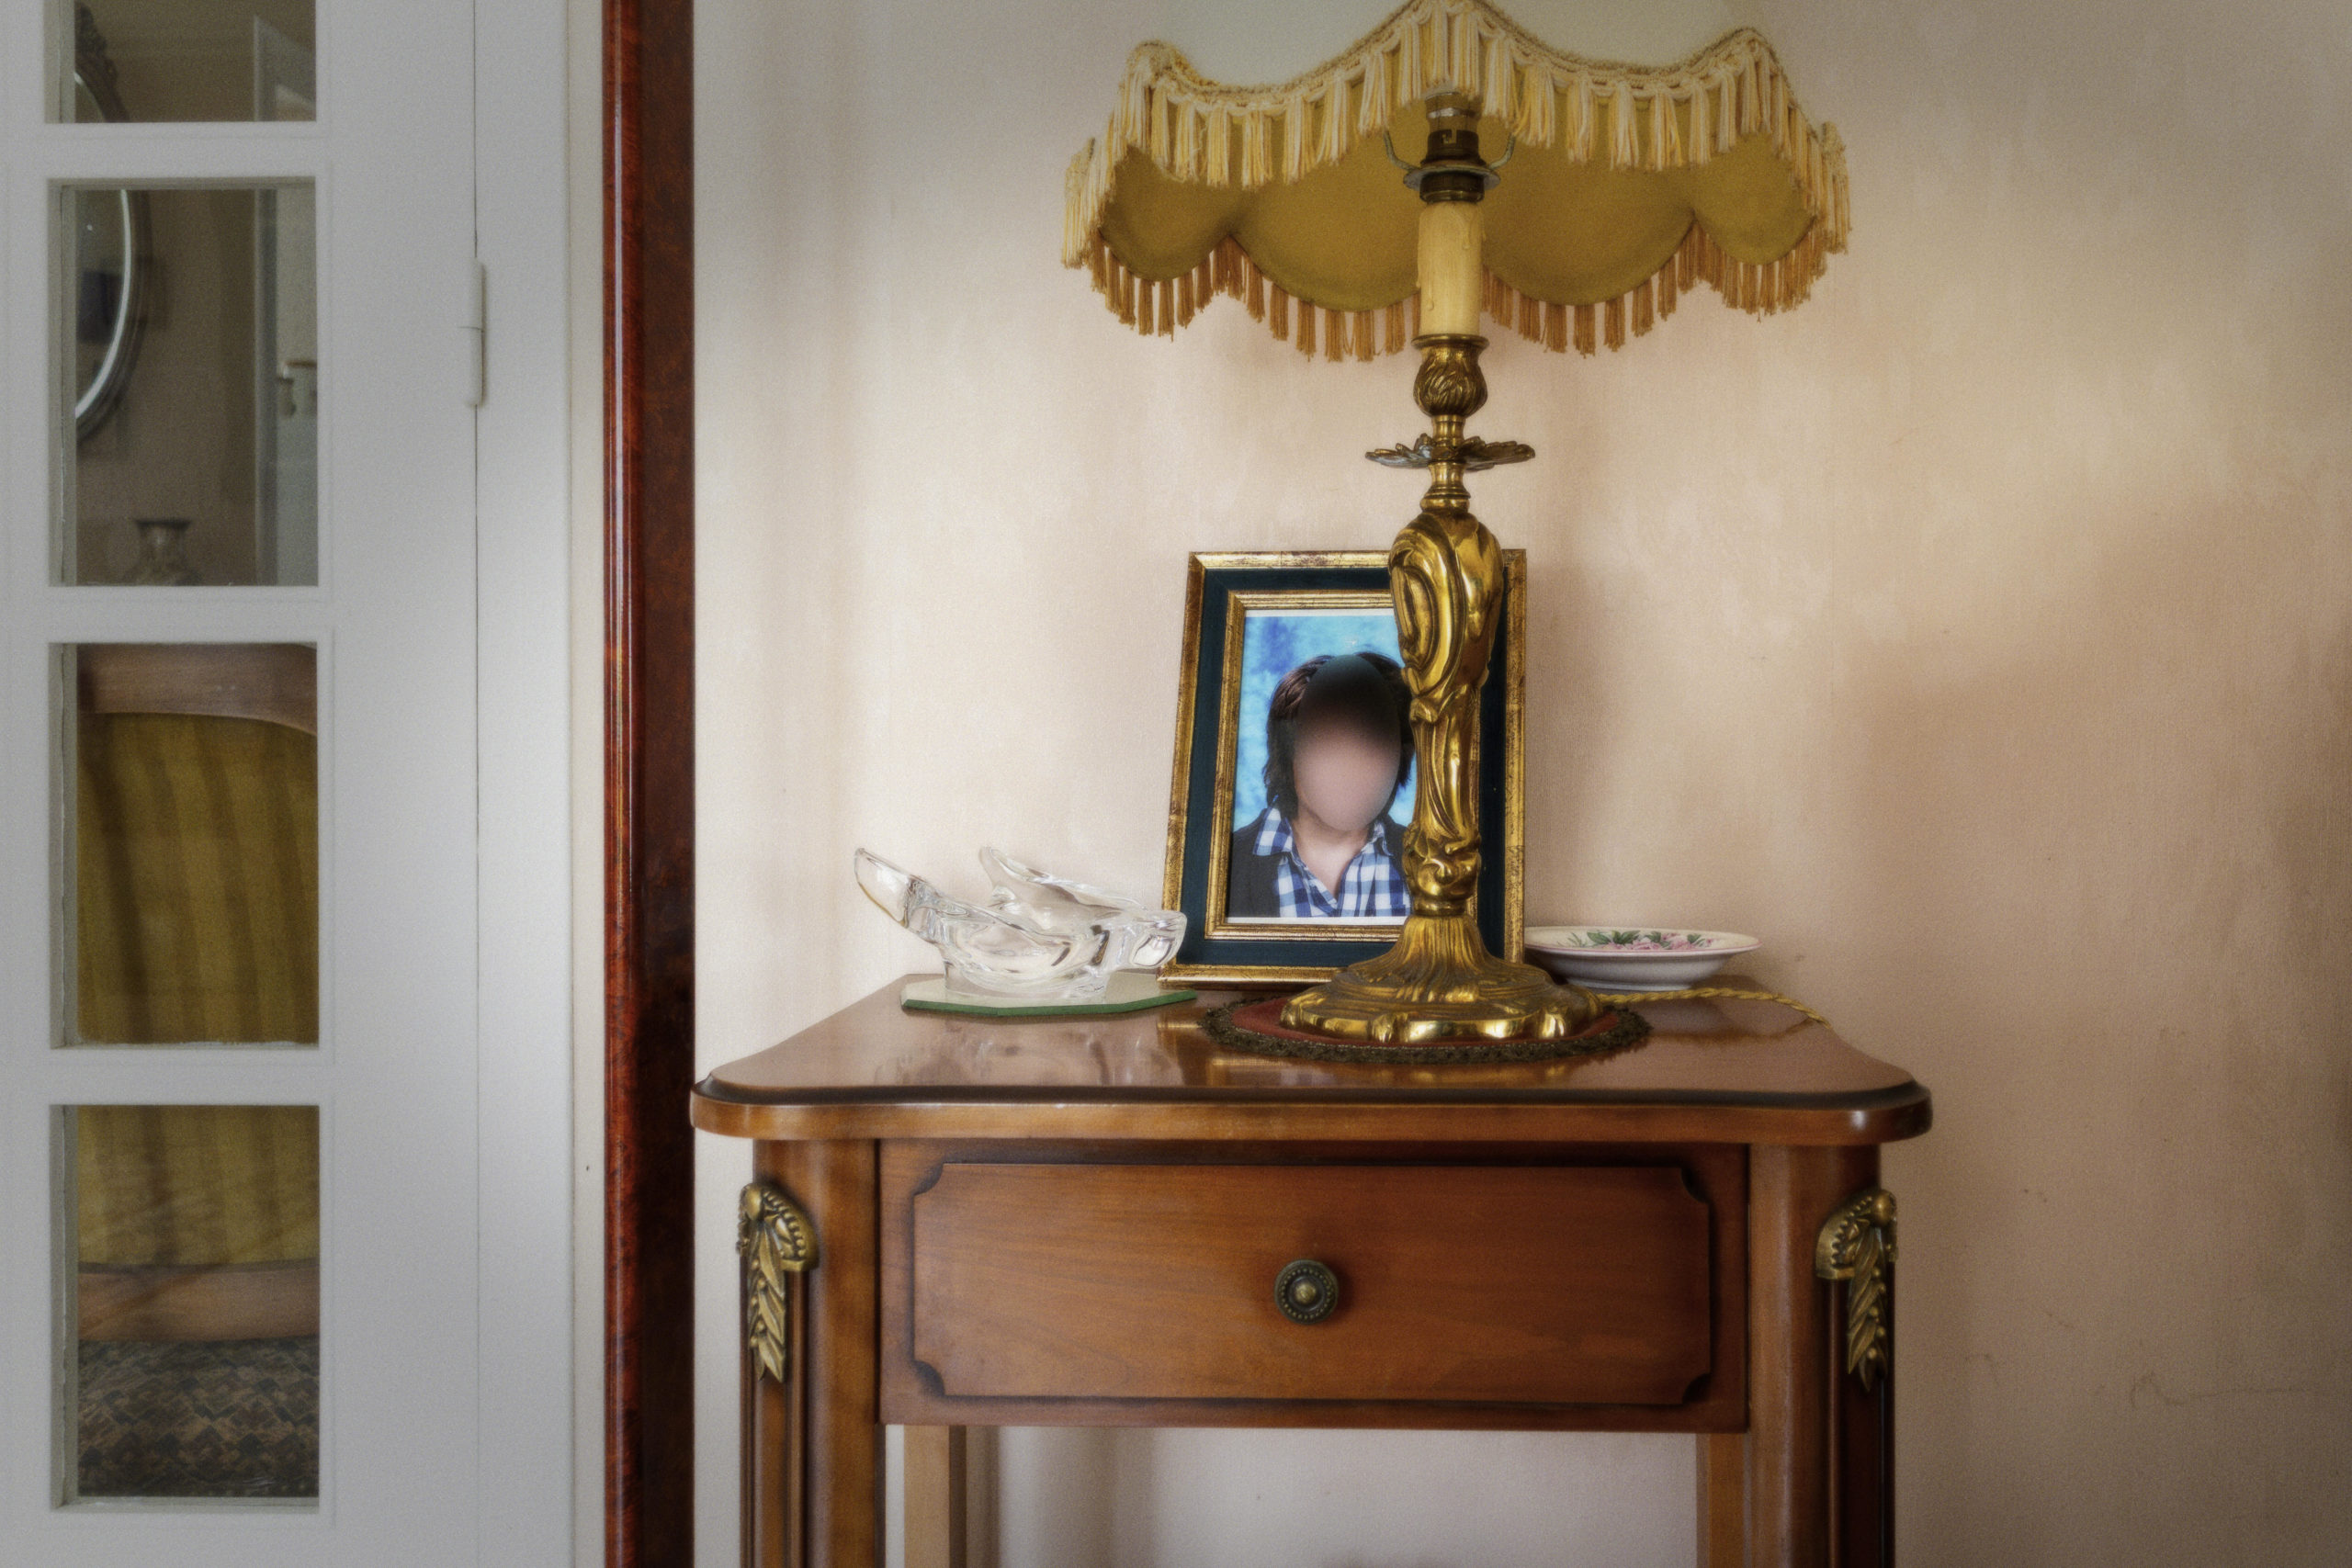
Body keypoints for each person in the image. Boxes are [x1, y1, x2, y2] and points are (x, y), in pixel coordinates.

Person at [1227, 651, 1414, 919]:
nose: (1349, 767)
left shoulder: (1431, 863)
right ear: (1289, 752)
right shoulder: (1222, 864)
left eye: (1370, 744)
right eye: (1327, 743)